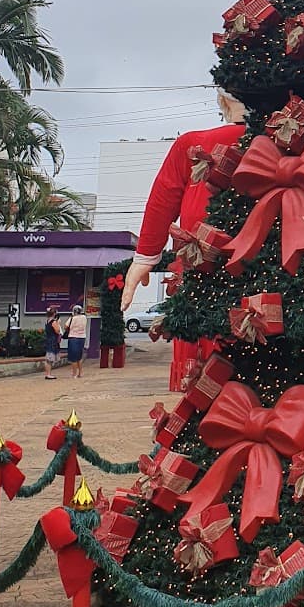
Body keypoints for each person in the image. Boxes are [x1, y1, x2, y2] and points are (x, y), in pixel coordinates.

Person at [119, 89, 248, 391]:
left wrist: (145, 259)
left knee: (202, 364)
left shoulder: (193, 144)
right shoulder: (282, 143)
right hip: (261, 269)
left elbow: (161, 201)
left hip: (200, 270)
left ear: (224, 102)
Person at [64, 304, 88, 377]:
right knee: (79, 356)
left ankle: (74, 374)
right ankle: (80, 373)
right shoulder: (84, 317)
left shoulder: (72, 318)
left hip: (73, 338)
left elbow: (66, 326)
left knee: (73, 357)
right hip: (82, 338)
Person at [43, 309, 63, 379]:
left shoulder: (47, 321)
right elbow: (57, 331)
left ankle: (48, 373)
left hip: (48, 339)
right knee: (50, 358)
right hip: (53, 340)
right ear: (54, 314)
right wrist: (58, 323)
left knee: (48, 357)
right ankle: (48, 374)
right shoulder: (53, 322)